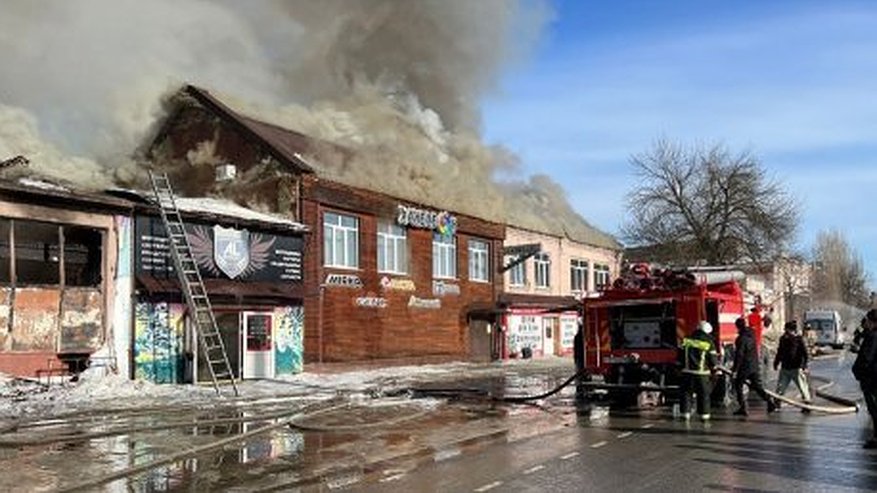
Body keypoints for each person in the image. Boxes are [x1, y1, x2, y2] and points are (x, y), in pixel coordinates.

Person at [732, 317, 777, 416]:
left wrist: (735, 369)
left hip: (745, 367)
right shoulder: (751, 336)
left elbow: (739, 355)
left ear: (737, 326)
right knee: (757, 387)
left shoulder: (741, 339)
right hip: (754, 366)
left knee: (738, 386)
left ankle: (742, 408)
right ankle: (770, 402)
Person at [678, 321, 718, 421]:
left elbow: (680, 356)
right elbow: (713, 360)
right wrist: (715, 369)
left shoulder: (687, 340)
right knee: (703, 394)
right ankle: (704, 416)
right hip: (702, 374)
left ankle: (685, 414)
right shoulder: (709, 343)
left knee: (686, 393)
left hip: (687, 373)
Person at [852, 309, 877, 448]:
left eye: (868, 320)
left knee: (874, 409)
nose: (865, 322)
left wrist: (858, 372)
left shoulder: (872, 336)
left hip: (872, 379)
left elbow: (866, 358)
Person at [773, 320, 812, 410]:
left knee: (802, 387)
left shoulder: (799, 339)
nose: (786, 332)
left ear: (792, 330)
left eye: (787, 330)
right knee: (780, 386)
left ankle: (807, 404)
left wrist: (804, 366)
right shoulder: (783, 339)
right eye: (785, 330)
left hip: (796, 368)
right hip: (785, 368)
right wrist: (776, 362)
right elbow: (779, 352)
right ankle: (777, 402)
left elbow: (805, 354)